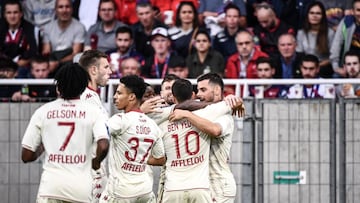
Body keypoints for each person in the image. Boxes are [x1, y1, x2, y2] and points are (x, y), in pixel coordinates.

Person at [21, 62, 109, 203]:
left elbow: (26, 156)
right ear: (83, 87)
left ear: (58, 87)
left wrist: (44, 146)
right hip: (81, 188)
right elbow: (104, 145)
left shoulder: (43, 111)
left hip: (51, 187)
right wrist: (96, 163)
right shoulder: (94, 112)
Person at [159, 78, 242, 202]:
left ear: (217, 90)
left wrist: (236, 101)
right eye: (197, 90)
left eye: (203, 90)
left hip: (218, 183)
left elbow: (215, 130)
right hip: (201, 184)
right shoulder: (202, 113)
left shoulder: (223, 116)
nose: (199, 94)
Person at [99, 75, 165, 202]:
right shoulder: (152, 125)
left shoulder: (119, 120)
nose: (114, 97)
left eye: (119, 93)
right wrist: (139, 160)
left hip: (121, 191)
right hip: (145, 190)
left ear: (131, 97)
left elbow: (98, 135)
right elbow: (160, 159)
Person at [78, 49, 112, 202]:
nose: (110, 71)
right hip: (89, 171)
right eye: (106, 67)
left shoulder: (91, 95)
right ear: (93, 69)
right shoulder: (86, 97)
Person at [42, 0, 86, 76]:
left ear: (72, 9)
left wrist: (58, 62)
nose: (64, 10)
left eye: (67, 7)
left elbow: (76, 54)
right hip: (53, 61)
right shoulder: (48, 27)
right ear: (55, 10)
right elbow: (46, 51)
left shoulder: (79, 27)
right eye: (60, 7)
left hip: (70, 63)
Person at [296, 1, 335, 78]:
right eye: (312, 13)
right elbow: (299, 54)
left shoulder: (330, 33)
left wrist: (316, 66)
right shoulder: (301, 33)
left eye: (318, 13)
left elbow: (333, 57)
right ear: (307, 15)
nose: (314, 16)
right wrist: (308, 67)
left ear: (323, 16)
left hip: (324, 69)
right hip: (306, 68)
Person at [0, 0, 38, 77]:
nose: (12, 16)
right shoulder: (1, 29)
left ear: (21, 14)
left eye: (15, 12)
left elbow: (34, 53)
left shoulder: (32, 29)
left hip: (25, 70)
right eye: (9, 13)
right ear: (4, 15)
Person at [330, 0, 360, 78]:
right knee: (336, 77)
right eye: (358, 10)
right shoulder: (346, 22)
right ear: (352, 12)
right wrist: (336, 67)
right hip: (348, 65)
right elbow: (336, 45)